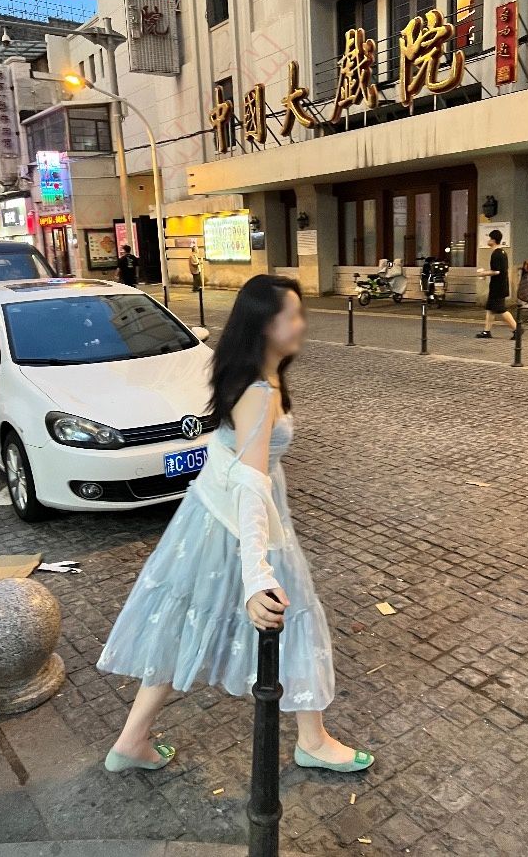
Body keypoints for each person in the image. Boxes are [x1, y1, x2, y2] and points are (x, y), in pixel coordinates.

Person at [97, 274, 374, 775]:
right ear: (264, 325)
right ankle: (313, 741)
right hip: (242, 523)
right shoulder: (258, 392)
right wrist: (256, 573)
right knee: (291, 613)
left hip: (215, 516)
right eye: (292, 315)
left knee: (186, 618)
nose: (301, 324)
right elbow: (250, 482)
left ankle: (132, 740)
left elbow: (243, 467)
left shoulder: (255, 379)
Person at [476, 229, 519, 339]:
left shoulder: (497, 254)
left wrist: (483, 273)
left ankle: (517, 329)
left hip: (498, 286)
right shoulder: (502, 252)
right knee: (490, 308)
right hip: (500, 285)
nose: (488, 241)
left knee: (501, 309)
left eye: (489, 238)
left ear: (493, 240)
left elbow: (496, 271)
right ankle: (486, 331)